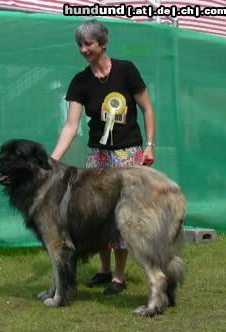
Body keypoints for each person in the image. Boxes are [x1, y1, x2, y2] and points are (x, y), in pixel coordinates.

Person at [51, 19, 156, 295]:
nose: (83, 49)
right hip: (98, 158)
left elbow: (146, 108)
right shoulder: (80, 81)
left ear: (103, 44)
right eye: (80, 45)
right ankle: (105, 269)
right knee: (97, 215)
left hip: (128, 157)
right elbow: (71, 126)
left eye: (88, 44)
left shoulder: (126, 70)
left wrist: (150, 145)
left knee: (123, 216)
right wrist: (52, 160)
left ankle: (119, 278)